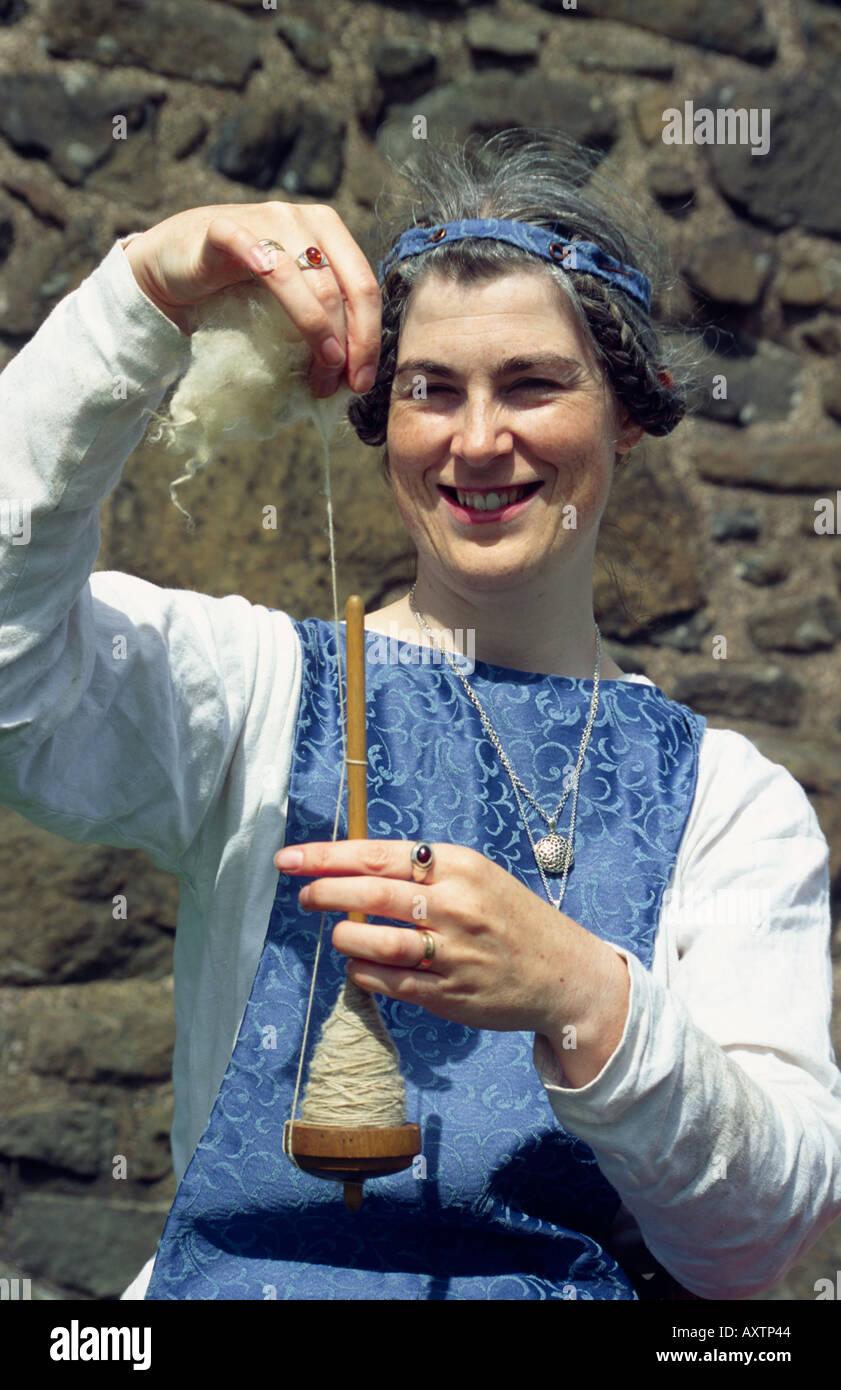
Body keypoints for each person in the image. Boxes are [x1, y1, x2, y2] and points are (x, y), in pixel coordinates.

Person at [1, 128, 839, 1302]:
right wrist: (137, 294)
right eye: (429, 389)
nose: (477, 439)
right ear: (382, 419)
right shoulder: (249, 689)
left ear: (629, 416)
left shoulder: (729, 803)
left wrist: (582, 994)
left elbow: (754, 1238)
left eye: (534, 384)